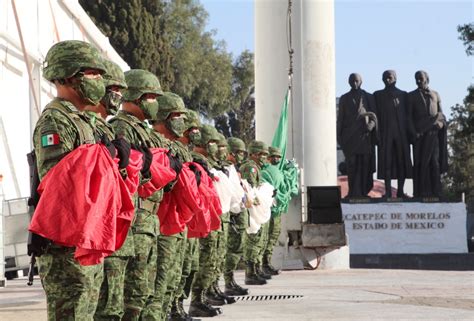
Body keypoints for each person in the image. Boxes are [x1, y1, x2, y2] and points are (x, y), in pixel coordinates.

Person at [32, 40, 107, 320]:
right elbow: (59, 183)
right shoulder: (56, 121)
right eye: (92, 73)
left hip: (84, 236)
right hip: (65, 244)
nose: (99, 80)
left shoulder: (83, 120)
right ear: (68, 75)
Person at [109, 69, 164, 321]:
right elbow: (125, 174)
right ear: (136, 96)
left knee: (144, 289)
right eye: (150, 96)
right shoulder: (122, 126)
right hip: (134, 217)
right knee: (131, 293)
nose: (154, 102)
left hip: (147, 219)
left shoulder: (143, 130)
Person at [86, 59, 134, 321]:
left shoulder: (105, 126)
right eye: (112, 88)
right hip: (91, 225)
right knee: (102, 306)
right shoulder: (83, 123)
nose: (117, 96)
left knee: (113, 303)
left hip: (112, 222)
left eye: (120, 91)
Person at [142, 92, 192, 321]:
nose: (181, 121)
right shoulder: (150, 140)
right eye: (176, 115)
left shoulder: (172, 146)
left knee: (170, 278)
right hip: (156, 221)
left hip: (169, 221)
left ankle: (171, 311)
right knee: (153, 285)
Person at [407, 70, 448, 197]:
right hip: (419, 135)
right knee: (419, 163)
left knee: (434, 162)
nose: (418, 81)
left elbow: (441, 115)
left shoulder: (435, 94)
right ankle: (420, 192)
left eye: (421, 78)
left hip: (433, 134)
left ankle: (436, 191)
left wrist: (440, 124)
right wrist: (414, 133)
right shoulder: (411, 96)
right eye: (416, 79)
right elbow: (408, 118)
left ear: (427, 79)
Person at [337, 73, 377, 197]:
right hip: (350, 137)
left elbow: (375, 116)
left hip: (364, 136)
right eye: (352, 81)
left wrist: (371, 124)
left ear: (361, 82)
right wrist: (339, 136)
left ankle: (364, 191)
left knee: (365, 164)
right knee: (352, 164)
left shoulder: (368, 97)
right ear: (349, 82)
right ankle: (352, 191)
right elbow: (341, 119)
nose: (354, 83)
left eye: (357, 81)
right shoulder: (344, 98)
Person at [373, 70, 413, 198]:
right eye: (385, 78)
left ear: (395, 78)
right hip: (385, 134)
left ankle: (400, 190)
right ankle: (388, 192)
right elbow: (375, 115)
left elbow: (409, 115)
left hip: (401, 134)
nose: (387, 80)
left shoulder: (403, 95)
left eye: (390, 77)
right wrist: (377, 134)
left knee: (402, 161)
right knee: (386, 162)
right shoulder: (378, 95)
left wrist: (411, 133)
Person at [241, 140, 271, 285]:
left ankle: (256, 270)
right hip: (251, 210)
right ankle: (250, 273)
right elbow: (249, 191)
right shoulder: (250, 168)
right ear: (252, 154)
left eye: (265, 154)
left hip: (255, 209)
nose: (263, 157)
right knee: (253, 241)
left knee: (258, 241)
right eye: (261, 154)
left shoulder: (255, 167)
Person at [223, 137, 250, 296]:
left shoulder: (232, 168)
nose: (241, 155)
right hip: (232, 215)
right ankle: (227, 282)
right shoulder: (225, 168)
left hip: (238, 214)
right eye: (239, 152)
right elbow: (230, 193)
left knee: (236, 251)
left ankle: (230, 281)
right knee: (230, 252)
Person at [260, 146, 286, 275]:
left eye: (278, 157)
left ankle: (266, 262)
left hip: (276, 209)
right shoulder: (264, 171)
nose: (276, 159)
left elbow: (283, 189)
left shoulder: (278, 172)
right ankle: (263, 264)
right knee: (265, 237)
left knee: (273, 235)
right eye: (274, 156)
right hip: (267, 209)